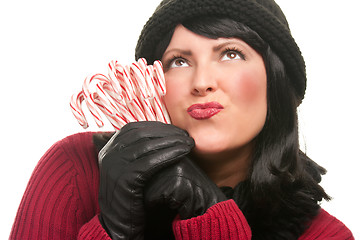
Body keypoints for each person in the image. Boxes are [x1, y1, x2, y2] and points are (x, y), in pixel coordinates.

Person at [10, 0, 354, 239]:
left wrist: (213, 222)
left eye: (231, 54)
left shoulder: (323, 235)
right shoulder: (74, 168)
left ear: (276, 80)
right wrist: (115, 230)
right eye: (179, 61)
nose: (202, 81)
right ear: (152, 82)